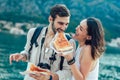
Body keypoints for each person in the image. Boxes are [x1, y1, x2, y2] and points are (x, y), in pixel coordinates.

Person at [9, 4, 76, 80]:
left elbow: (68, 71)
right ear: (50, 19)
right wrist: (22, 55)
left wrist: (49, 77)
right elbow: (27, 52)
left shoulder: (69, 42)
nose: (63, 28)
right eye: (60, 23)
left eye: (66, 24)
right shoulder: (33, 33)